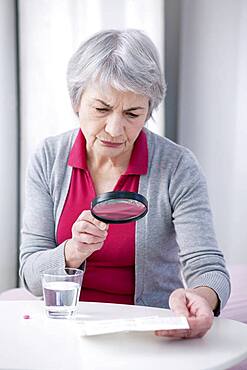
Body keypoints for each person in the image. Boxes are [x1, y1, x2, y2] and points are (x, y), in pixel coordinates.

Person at [20, 29, 230, 339]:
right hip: (65, 330)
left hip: (148, 330)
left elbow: (209, 268)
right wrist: (73, 252)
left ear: (149, 111)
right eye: (101, 109)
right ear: (76, 102)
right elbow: (30, 277)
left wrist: (200, 297)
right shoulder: (49, 158)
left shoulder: (178, 166)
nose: (115, 129)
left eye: (133, 113)